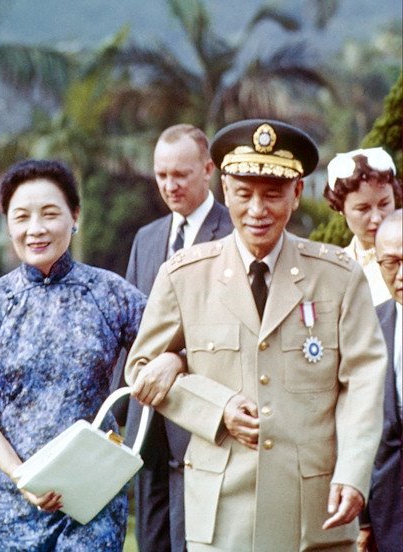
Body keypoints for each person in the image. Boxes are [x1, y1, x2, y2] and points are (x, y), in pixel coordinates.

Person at [125, 119, 387, 551]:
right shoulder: (184, 276)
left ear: (297, 192)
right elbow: (140, 368)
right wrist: (215, 406)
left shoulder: (338, 277)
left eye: (273, 195)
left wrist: (354, 472)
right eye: (244, 195)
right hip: (222, 510)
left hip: (315, 509)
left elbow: (363, 379)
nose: (257, 210)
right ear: (225, 191)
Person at [0, 159, 181, 550]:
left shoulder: (110, 293)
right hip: (14, 502)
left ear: (74, 217)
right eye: (21, 217)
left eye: (50, 214)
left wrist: (174, 360)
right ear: (8, 224)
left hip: (94, 498)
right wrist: (21, 475)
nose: (35, 229)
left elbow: (178, 340)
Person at [114, 123, 233, 552]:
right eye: (162, 175)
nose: (170, 185)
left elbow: (231, 324)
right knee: (151, 539)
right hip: (148, 422)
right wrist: (120, 416)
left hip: (202, 416)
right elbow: (134, 332)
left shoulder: (235, 233)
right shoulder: (147, 239)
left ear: (208, 170)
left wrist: (179, 357)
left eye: (180, 174)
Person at [358, 209, 402, 552]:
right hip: (390, 518)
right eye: (391, 263)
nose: (400, 275)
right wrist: (365, 519)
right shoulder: (371, 327)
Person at [324, 147, 401, 305]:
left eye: (384, 204)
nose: (376, 218)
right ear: (340, 208)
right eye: (363, 209)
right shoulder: (333, 269)